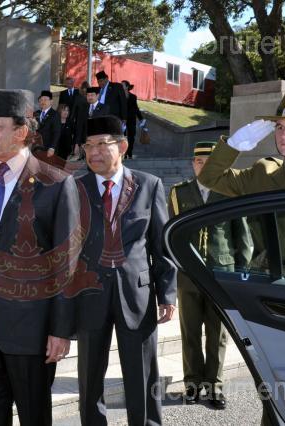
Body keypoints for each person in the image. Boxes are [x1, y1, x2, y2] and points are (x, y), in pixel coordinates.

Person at [0, 89, 80, 426]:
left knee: (34, 417)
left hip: (33, 333)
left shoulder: (56, 184)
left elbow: (67, 265)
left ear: (21, 132)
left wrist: (61, 330)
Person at [76, 115, 177, 426]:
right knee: (89, 374)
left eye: (101, 144)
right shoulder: (75, 188)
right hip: (89, 294)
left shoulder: (149, 185)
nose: (93, 152)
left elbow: (161, 245)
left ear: (122, 146)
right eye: (88, 146)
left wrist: (167, 293)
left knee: (142, 372)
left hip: (137, 294)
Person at [198, 91, 285, 282]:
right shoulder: (263, 172)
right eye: (280, 127)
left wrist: (282, 276)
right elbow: (209, 178)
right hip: (259, 286)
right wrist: (232, 146)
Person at [168, 141, 253, 410]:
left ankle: (214, 386)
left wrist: (242, 275)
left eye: (208, 162)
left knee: (218, 334)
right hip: (189, 274)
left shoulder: (229, 191)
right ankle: (192, 384)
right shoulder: (179, 193)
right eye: (198, 162)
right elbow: (171, 233)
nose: (202, 167)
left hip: (221, 273)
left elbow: (243, 236)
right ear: (192, 164)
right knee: (190, 330)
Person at [121, 80, 146, 159]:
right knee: (123, 137)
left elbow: (136, 108)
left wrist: (141, 118)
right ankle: (124, 153)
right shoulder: (119, 96)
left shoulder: (133, 97)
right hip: (122, 120)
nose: (121, 86)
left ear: (127, 87)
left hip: (131, 119)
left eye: (122, 85)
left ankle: (130, 152)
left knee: (131, 136)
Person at [34, 90, 61, 156]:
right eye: (41, 100)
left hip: (48, 148)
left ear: (51, 101)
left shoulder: (55, 114)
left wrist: (52, 147)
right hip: (36, 147)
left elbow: (57, 132)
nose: (43, 102)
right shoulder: (36, 113)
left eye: (45, 100)